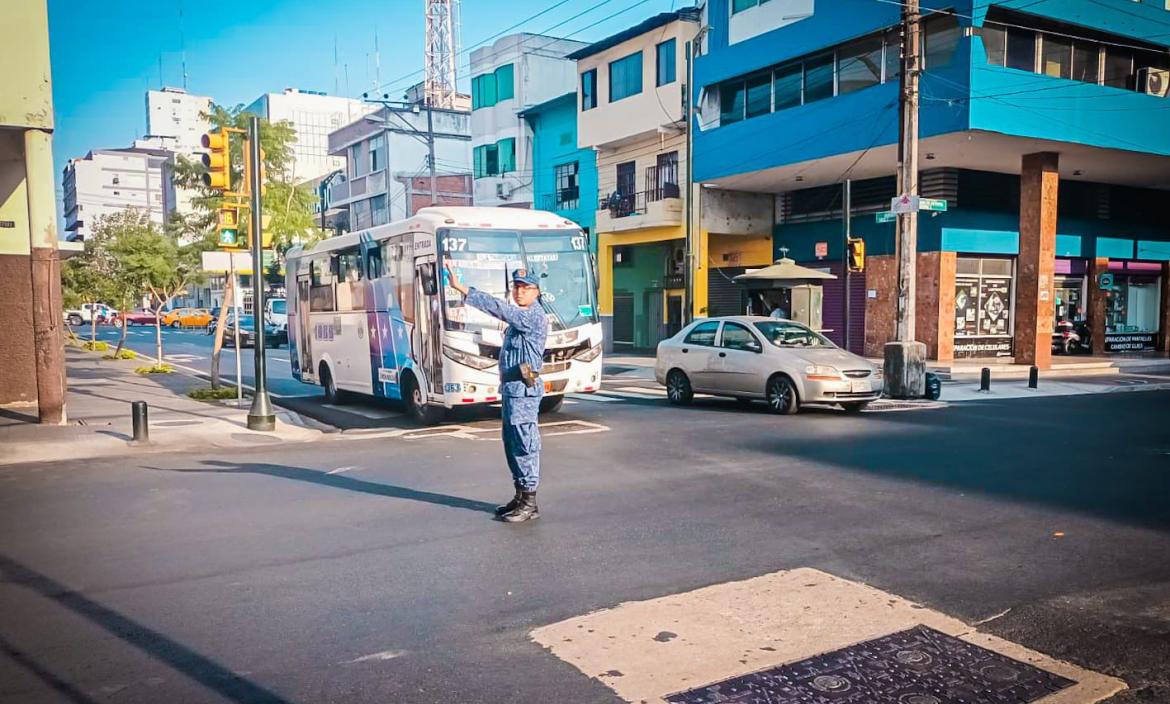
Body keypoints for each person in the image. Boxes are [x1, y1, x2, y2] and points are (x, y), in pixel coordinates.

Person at [444, 262, 547, 523]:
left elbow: (499, 309)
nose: (519, 292)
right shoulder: (520, 317)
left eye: (526, 288)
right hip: (513, 389)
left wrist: (463, 289)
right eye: (516, 287)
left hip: (524, 391)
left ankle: (530, 501)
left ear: (537, 292)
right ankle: (520, 494)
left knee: (525, 444)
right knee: (511, 443)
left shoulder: (533, 316)